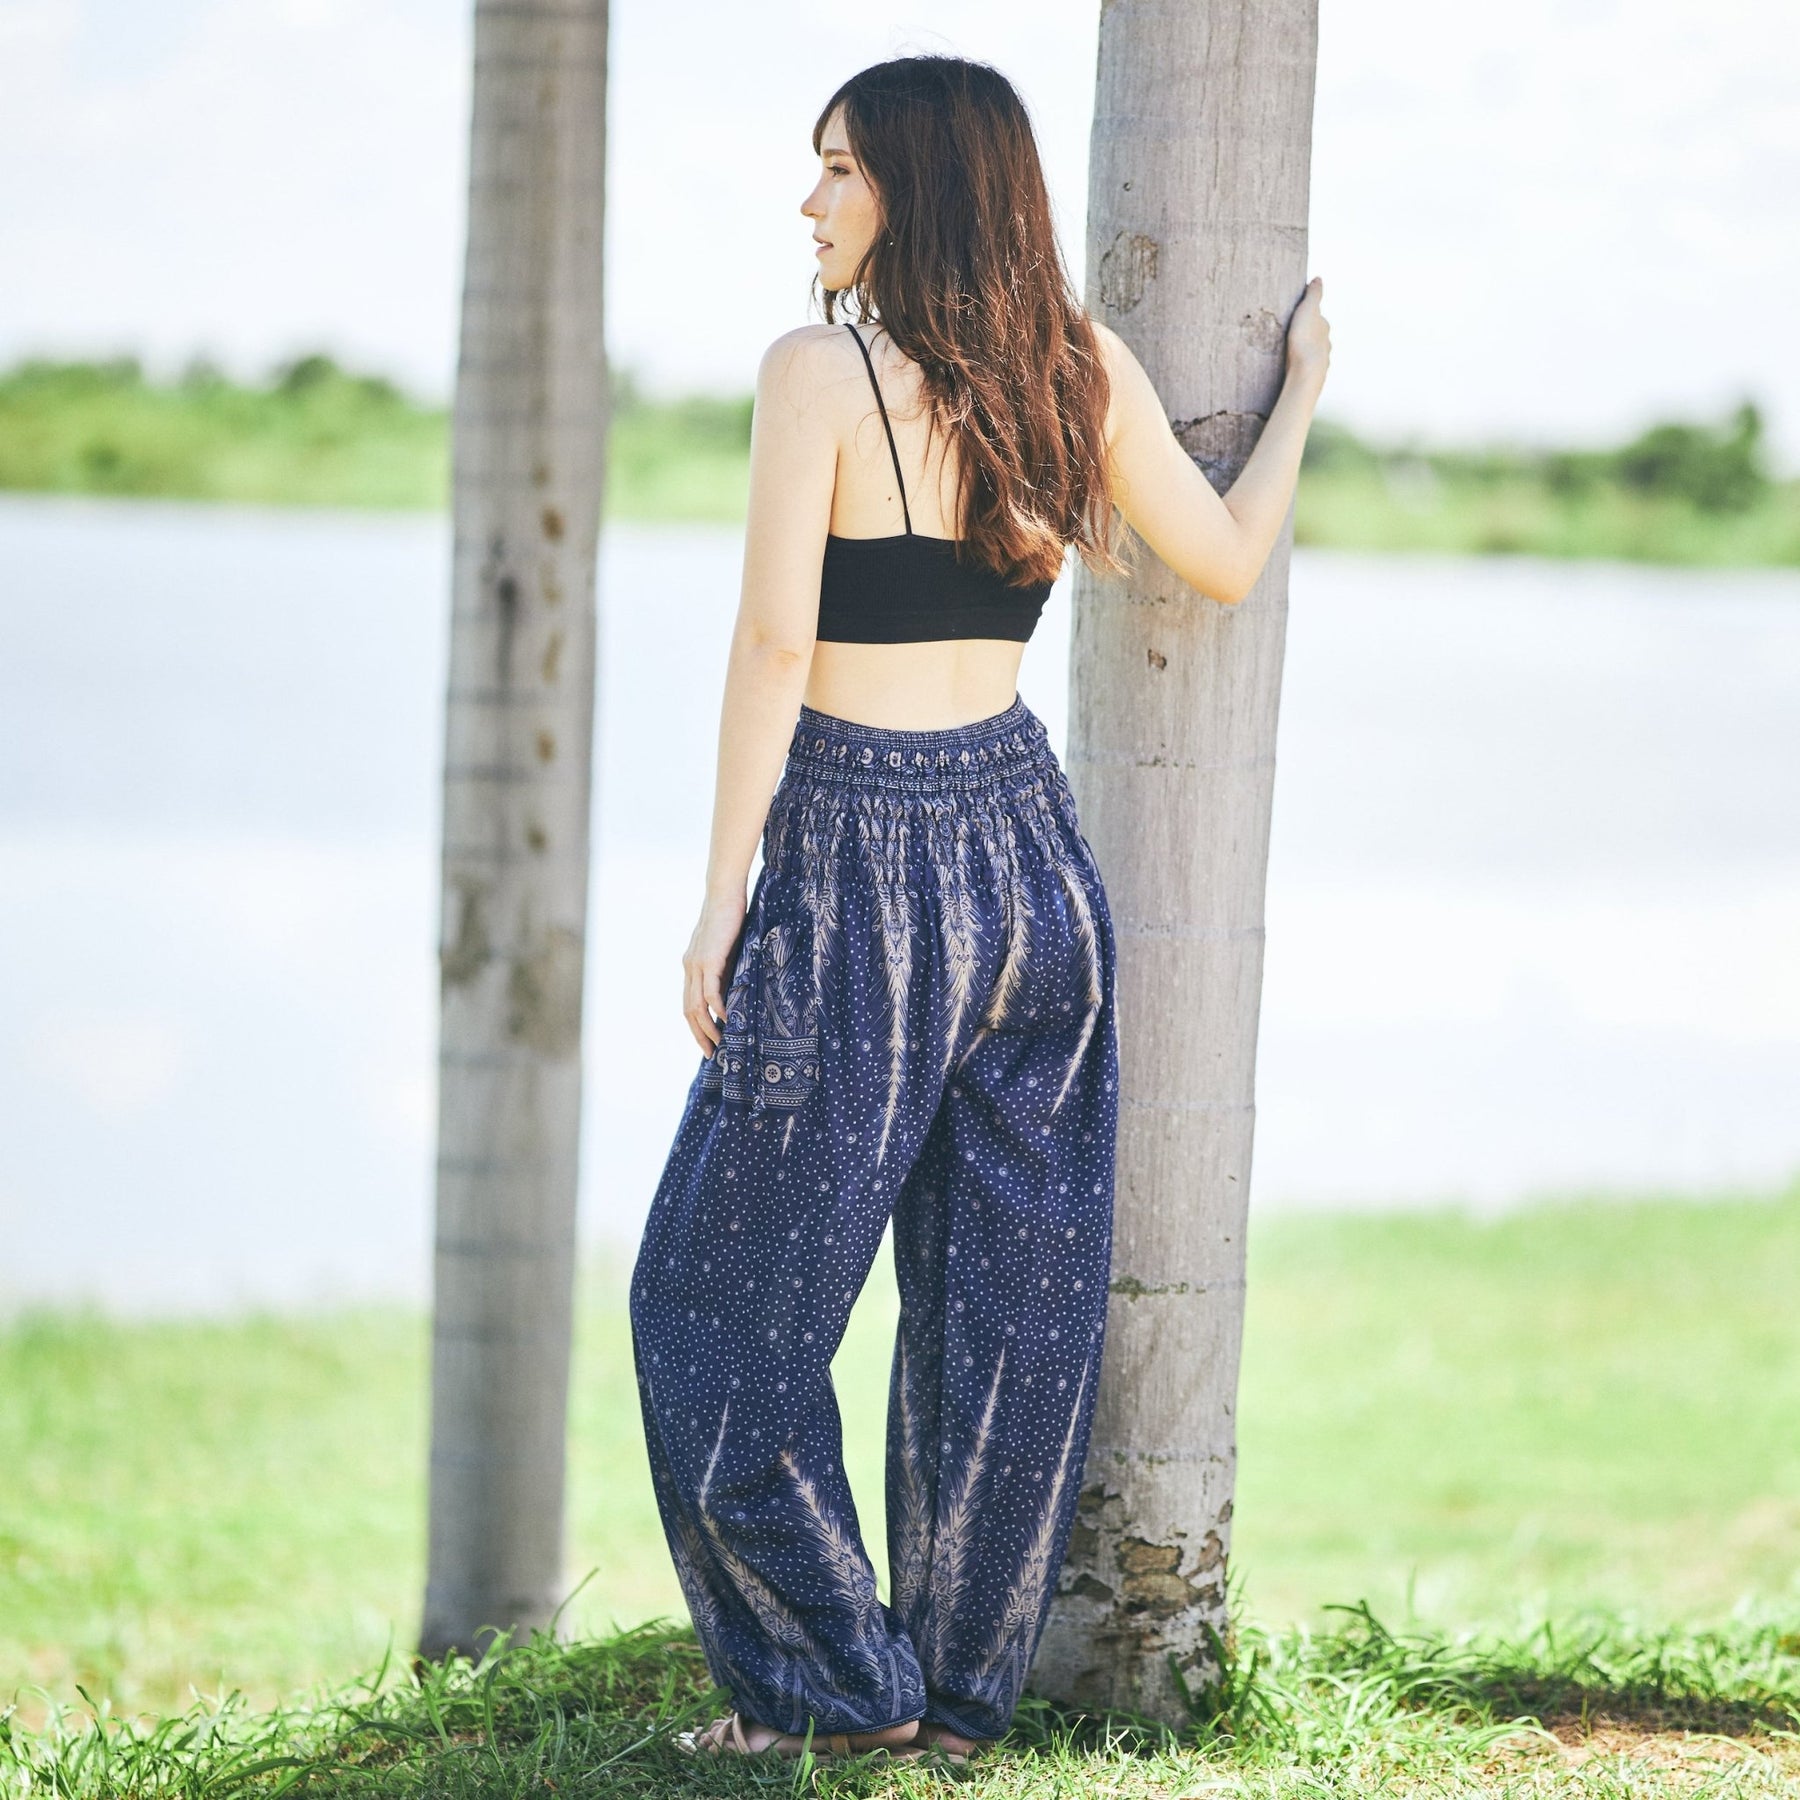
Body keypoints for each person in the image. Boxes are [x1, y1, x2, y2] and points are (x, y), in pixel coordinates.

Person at [629, 53, 1329, 1765]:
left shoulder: (818, 374)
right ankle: (948, 1701)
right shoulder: (1077, 370)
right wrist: (1302, 392)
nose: (811, 202)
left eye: (841, 169)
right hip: (1029, 859)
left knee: (708, 1306)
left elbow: (774, 647)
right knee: (1000, 1314)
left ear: (921, 186)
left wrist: (722, 894)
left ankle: (836, 1694)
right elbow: (1226, 560)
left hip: (857, 865)